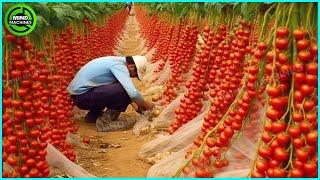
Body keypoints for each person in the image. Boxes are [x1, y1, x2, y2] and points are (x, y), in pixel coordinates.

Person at [67, 56, 154, 132]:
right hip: (83, 97)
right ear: (131, 66)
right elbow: (132, 93)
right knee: (123, 90)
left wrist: (134, 103)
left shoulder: (115, 61)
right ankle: (104, 123)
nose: (134, 76)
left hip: (81, 96)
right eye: (136, 74)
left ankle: (93, 116)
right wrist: (147, 105)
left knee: (119, 89)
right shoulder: (119, 66)